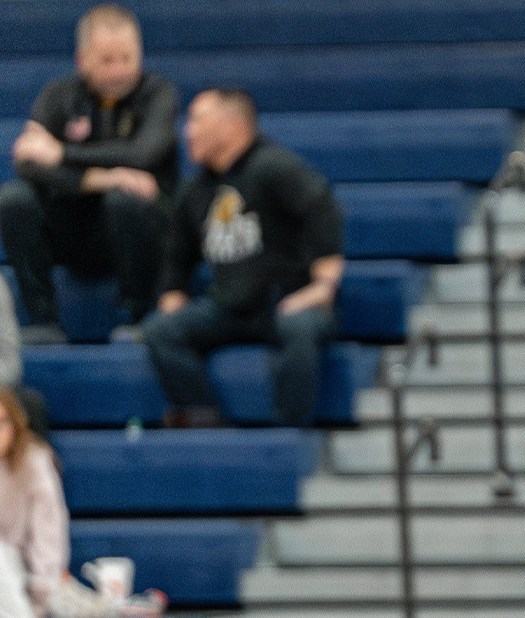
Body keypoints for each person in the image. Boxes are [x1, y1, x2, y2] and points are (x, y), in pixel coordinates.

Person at [144, 89, 343, 428]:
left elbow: (322, 208)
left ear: (232, 127)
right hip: (228, 308)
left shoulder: (272, 166)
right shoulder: (195, 192)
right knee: (161, 331)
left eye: (197, 120)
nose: (186, 131)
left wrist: (323, 285)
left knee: (299, 330)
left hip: (283, 302)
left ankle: (289, 433)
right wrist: (172, 296)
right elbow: (177, 256)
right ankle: (204, 417)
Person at [0, 4, 178, 344]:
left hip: (140, 231)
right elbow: (27, 161)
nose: (120, 71)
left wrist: (63, 153)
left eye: (128, 58)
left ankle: (138, 315)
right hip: (74, 228)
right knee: (13, 199)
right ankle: (44, 321)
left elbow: (142, 153)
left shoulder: (158, 94)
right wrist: (100, 178)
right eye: (108, 61)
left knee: (124, 198)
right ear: (83, 60)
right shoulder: (60, 94)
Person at [0, 389, 69, 618]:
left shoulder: (35, 460)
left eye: (2, 422)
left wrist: (41, 593)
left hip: (20, 580)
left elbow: (49, 534)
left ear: (15, 424)